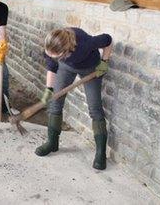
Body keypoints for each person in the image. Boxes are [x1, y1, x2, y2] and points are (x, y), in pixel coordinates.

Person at [36, 27, 112, 170]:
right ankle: (52, 143)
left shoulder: (85, 44)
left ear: (65, 51)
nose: (50, 55)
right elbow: (52, 66)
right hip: (66, 67)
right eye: (49, 53)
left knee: (95, 108)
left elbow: (108, 40)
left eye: (55, 55)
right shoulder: (52, 45)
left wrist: (104, 62)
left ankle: (101, 153)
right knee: (55, 103)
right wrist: (48, 90)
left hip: (90, 69)